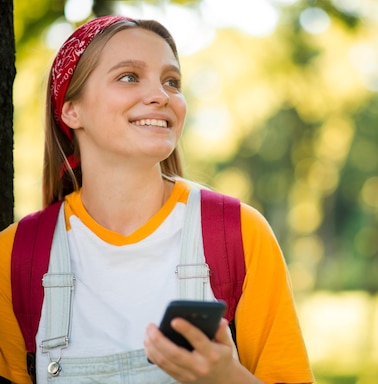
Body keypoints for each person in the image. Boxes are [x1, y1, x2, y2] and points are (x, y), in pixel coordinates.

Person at [0, 15, 314, 384]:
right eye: (129, 77)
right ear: (72, 109)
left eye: (171, 82)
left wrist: (229, 377)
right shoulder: (16, 255)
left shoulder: (239, 234)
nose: (161, 96)